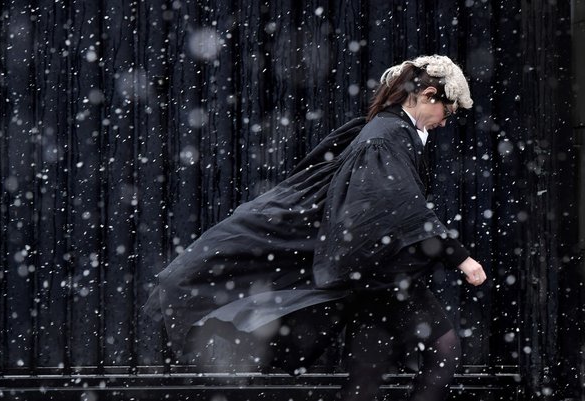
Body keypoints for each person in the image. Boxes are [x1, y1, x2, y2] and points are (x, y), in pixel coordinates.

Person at [143, 54, 487, 401]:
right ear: (429, 94)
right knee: (443, 352)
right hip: (382, 275)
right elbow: (400, 205)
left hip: (372, 275)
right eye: (449, 109)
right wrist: (460, 257)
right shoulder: (387, 136)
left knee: (367, 374)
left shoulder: (384, 130)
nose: (446, 121)